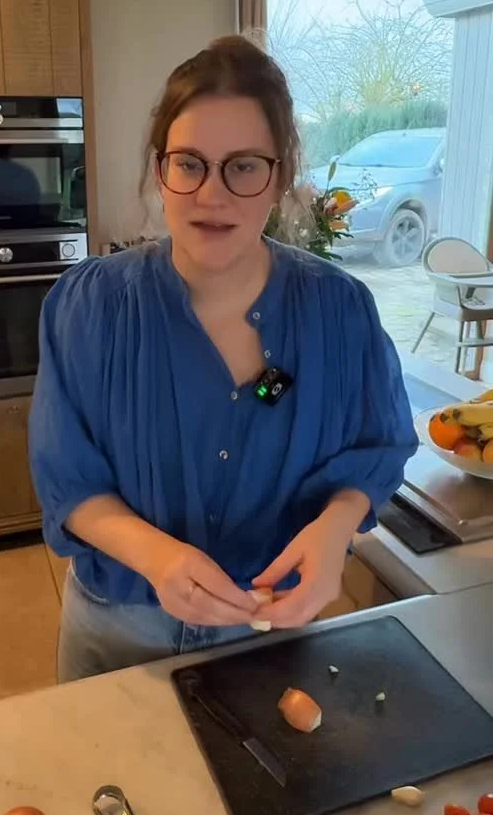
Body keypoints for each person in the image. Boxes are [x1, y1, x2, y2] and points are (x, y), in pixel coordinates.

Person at [29, 35, 417, 684]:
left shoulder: (341, 312)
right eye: (190, 164)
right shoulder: (89, 306)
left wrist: (336, 529)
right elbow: (67, 479)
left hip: (270, 633)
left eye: (243, 166)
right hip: (117, 634)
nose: (212, 194)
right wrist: (155, 557)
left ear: (280, 177)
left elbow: (378, 448)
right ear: (161, 171)